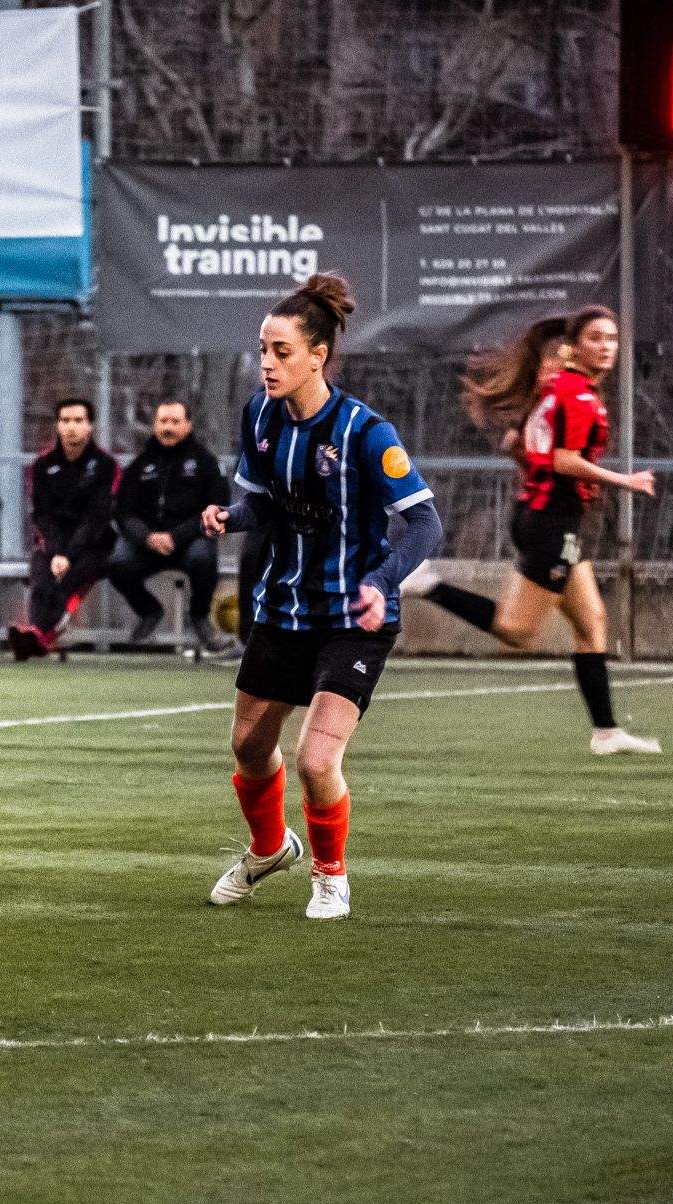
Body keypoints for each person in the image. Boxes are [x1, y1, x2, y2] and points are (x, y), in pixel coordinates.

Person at [198, 273, 443, 922]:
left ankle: (331, 876)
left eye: (281, 351)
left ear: (317, 356)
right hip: (284, 608)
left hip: (353, 618)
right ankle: (269, 849)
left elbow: (425, 523)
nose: (267, 363)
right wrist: (229, 516)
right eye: (262, 350)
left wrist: (381, 582)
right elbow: (262, 504)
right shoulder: (260, 417)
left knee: (315, 759)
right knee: (248, 748)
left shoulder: (366, 431)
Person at [408, 308, 662, 755]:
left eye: (612, 338)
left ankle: (606, 732)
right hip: (551, 524)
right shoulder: (577, 396)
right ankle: (427, 584)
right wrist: (625, 481)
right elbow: (565, 460)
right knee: (517, 631)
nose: (606, 347)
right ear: (574, 346)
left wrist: (536, 470)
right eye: (596, 338)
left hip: (549, 518)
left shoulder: (560, 388)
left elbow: (515, 443)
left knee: (592, 622)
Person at [109, 399, 232, 651]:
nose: (168, 428)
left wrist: (176, 536)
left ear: (188, 425)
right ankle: (149, 610)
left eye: (175, 422)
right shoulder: (139, 465)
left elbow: (217, 508)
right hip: (147, 544)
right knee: (117, 562)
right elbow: (123, 513)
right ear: (154, 425)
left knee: (203, 558)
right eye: (163, 421)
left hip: (190, 541)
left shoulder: (205, 463)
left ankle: (199, 617)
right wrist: (147, 537)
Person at [9, 397, 118, 660]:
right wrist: (57, 552)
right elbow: (43, 515)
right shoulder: (42, 465)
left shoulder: (106, 466)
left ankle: (41, 637)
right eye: (65, 420)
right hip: (53, 544)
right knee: (40, 579)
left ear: (90, 425)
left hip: (94, 544)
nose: (71, 427)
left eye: (78, 420)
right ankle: (35, 634)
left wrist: (68, 555)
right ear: (57, 426)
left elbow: (96, 518)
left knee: (67, 584)